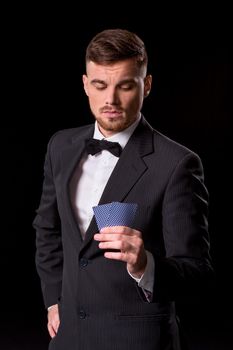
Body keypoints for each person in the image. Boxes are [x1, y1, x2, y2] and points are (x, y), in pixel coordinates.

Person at [33, 28, 214, 350]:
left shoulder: (178, 164)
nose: (111, 100)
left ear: (146, 85)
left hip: (137, 340)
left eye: (126, 86)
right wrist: (53, 300)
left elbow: (196, 270)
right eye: (100, 85)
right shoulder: (60, 146)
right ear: (86, 84)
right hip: (68, 336)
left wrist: (145, 264)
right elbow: (47, 229)